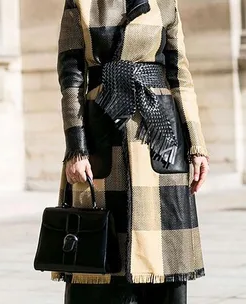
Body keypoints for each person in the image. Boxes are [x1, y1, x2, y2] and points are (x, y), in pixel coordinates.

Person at [54, 0, 210, 303]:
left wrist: (197, 146)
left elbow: (180, 75)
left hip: (162, 139)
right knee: (98, 265)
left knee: (164, 265)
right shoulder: (82, 3)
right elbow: (71, 77)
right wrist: (76, 148)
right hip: (102, 135)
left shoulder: (165, 3)